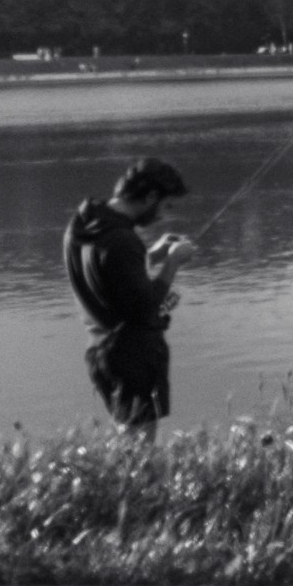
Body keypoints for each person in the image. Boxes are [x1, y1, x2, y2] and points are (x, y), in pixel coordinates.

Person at [63, 158, 193, 430]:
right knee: (139, 448)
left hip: (102, 352)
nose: (163, 216)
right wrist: (172, 263)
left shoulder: (83, 225)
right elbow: (145, 304)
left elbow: (109, 274)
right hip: (132, 357)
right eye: (165, 206)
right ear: (150, 197)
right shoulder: (122, 240)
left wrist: (151, 255)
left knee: (127, 440)